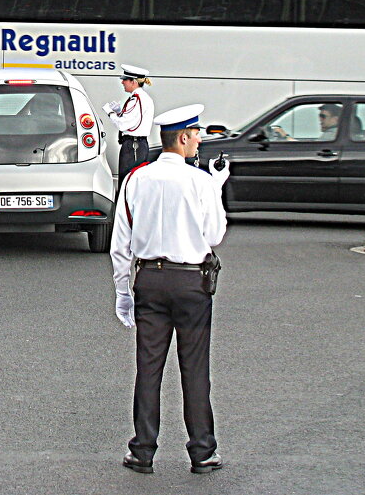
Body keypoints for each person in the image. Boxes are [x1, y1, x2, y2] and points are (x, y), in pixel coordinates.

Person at [110, 104, 230, 476]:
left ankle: (142, 451)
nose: (199, 142)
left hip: (149, 279)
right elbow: (214, 235)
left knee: (148, 368)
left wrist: (123, 291)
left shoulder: (136, 179)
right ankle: (202, 452)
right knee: (195, 369)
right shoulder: (200, 180)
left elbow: (120, 243)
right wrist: (216, 187)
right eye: (196, 136)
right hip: (191, 281)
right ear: (182, 138)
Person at [103, 65, 155, 184]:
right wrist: (118, 112)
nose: (122, 82)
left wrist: (110, 113)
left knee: (127, 182)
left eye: (125, 79)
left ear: (134, 82)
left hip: (133, 146)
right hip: (136, 145)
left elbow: (123, 125)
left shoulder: (137, 99)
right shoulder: (140, 98)